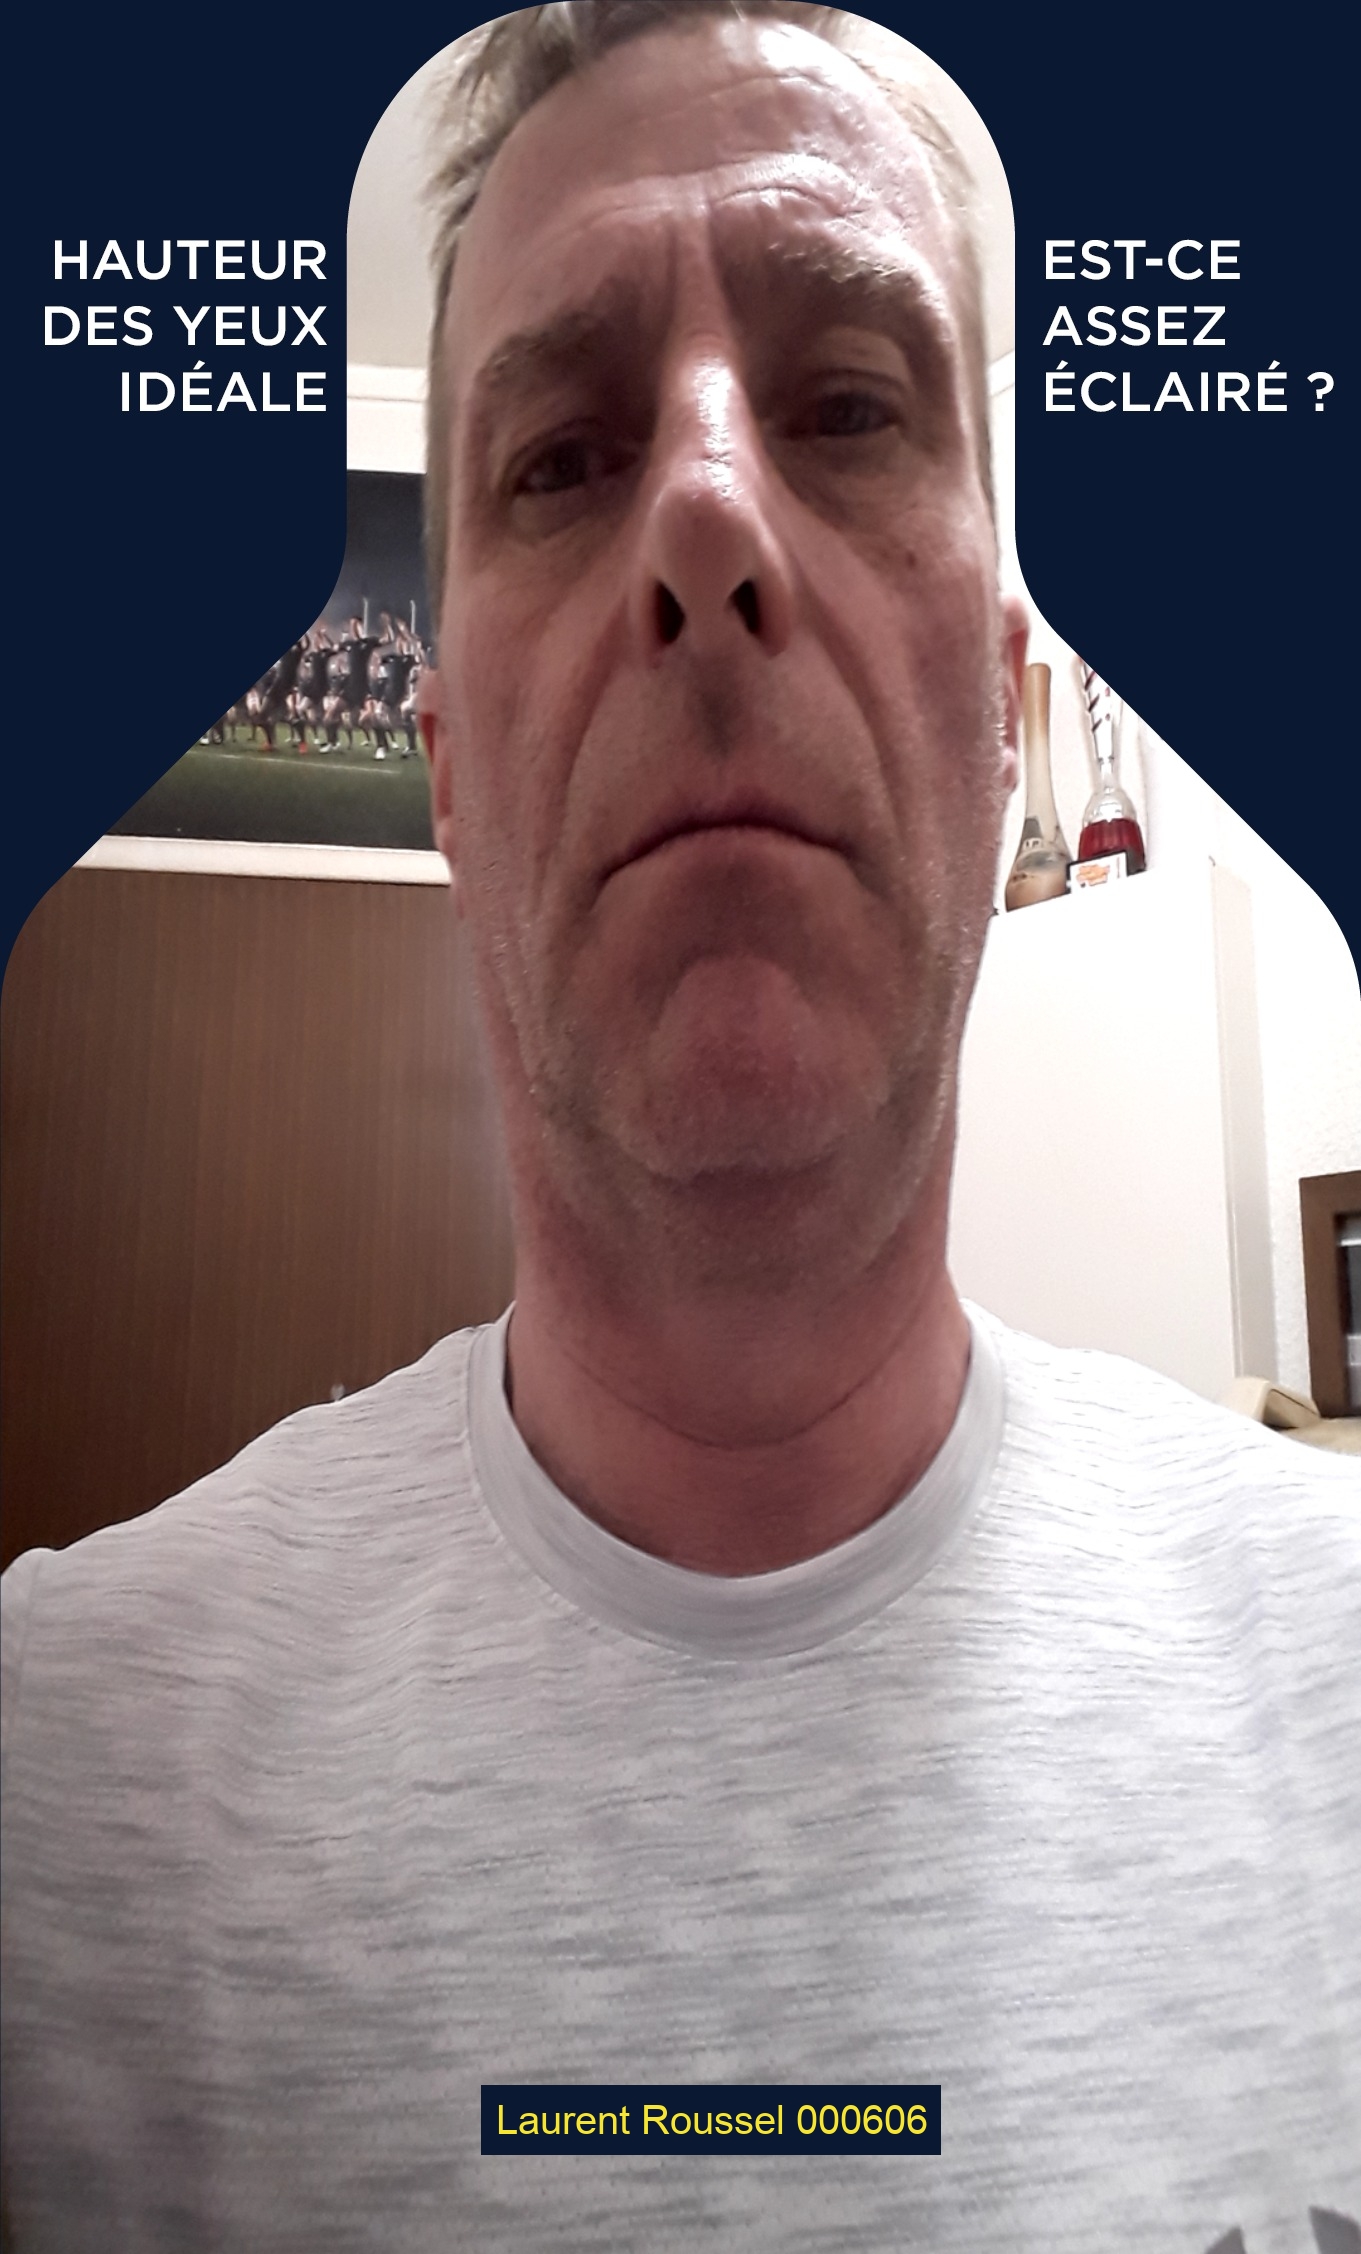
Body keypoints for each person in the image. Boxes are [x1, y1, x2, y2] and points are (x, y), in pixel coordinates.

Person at [2, 6, 1357, 2250]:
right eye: (559, 457)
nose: (710, 513)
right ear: (446, 769)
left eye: (848, 407)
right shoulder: (53, 1780)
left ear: (1000, 707)